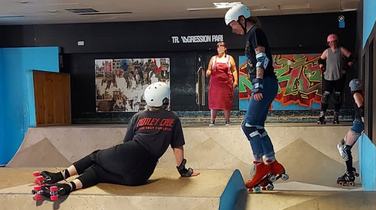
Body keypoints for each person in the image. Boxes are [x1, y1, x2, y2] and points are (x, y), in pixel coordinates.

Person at [35, 82, 200, 197]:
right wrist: (183, 171)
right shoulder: (173, 118)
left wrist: (117, 162)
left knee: (95, 157)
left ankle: (58, 176)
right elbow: (177, 147)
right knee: (99, 173)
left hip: (131, 152)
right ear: (165, 100)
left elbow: (126, 143)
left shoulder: (138, 116)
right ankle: (67, 186)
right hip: (140, 176)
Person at [224, 4, 286, 190]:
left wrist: (257, 84)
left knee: (248, 125)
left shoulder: (255, 33)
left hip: (265, 82)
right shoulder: (253, 34)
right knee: (258, 126)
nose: (233, 30)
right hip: (268, 83)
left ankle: (259, 167)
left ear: (242, 20)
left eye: (233, 25)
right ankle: (273, 163)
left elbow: (262, 58)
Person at [318, 34, 355, 124]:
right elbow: (320, 60)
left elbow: (352, 58)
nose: (333, 44)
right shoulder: (327, 51)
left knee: (337, 97)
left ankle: (336, 116)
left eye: (334, 42)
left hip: (339, 77)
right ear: (328, 43)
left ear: (337, 42)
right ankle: (322, 116)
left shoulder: (341, 50)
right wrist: (323, 69)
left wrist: (346, 69)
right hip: (328, 78)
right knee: (325, 96)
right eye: (331, 42)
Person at [336, 79, 364, 186]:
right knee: (340, 145)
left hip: (358, 123)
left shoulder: (356, 95)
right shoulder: (361, 94)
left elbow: (361, 109)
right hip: (357, 123)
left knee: (345, 149)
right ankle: (350, 169)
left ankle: (349, 174)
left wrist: (364, 122)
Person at [206, 42, 238, 126]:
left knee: (226, 102)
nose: (219, 49)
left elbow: (234, 70)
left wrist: (236, 81)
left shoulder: (229, 58)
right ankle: (212, 121)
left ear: (225, 48)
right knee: (213, 102)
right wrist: (208, 72)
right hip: (215, 85)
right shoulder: (213, 59)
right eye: (218, 47)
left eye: (221, 47)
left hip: (226, 84)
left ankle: (227, 121)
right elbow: (209, 69)